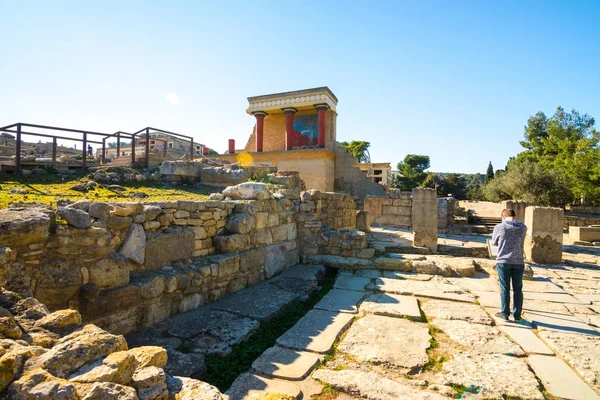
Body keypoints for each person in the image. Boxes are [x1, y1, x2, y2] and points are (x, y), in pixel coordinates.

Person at [491, 208, 527, 321]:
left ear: (503, 217)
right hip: (518, 261)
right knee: (518, 288)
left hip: (503, 260)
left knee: (505, 287)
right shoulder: (523, 227)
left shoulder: (499, 227)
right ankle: (517, 314)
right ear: (515, 216)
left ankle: (505, 312)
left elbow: (494, 242)